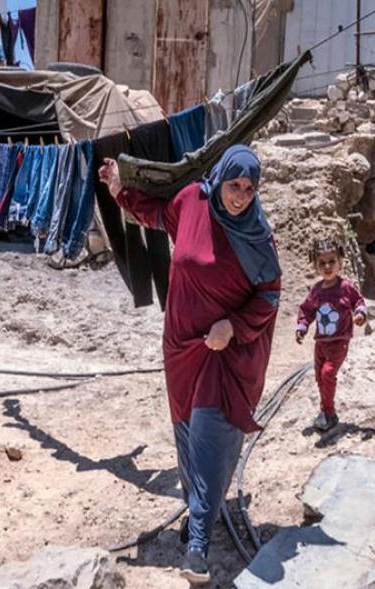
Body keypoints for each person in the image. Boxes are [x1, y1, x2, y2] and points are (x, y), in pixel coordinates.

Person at [98, 145, 281, 584]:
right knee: (185, 436)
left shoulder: (258, 236)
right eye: (234, 185)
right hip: (181, 346)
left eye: (249, 188)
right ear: (219, 180)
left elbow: (270, 296)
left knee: (210, 435)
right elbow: (154, 216)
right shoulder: (192, 202)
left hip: (224, 353)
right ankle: (204, 505)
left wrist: (233, 327)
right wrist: (119, 190)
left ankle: (197, 544)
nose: (240, 196)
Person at [294, 238, 366, 431]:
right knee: (319, 376)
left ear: (340, 262)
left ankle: (329, 412)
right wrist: (302, 327)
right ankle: (325, 411)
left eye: (332, 261)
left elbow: (359, 302)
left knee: (327, 373)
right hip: (321, 343)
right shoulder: (316, 291)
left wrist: (360, 314)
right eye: (322, 263)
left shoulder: (346, 287)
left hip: (339, 342)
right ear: (315, 266)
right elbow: (307, 310)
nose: (327, 266)